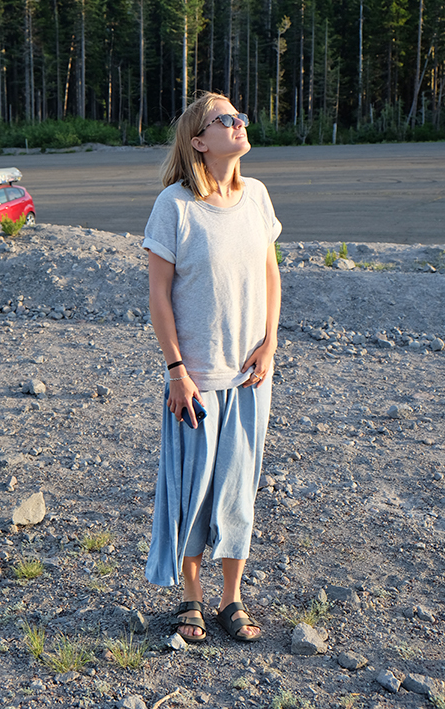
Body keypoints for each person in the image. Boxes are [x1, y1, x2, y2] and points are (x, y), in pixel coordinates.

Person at [142, 91, 281, 643]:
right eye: (224, 119)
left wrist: (270, 345)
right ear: (199, 141)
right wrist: (176, 369)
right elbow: (158, 295)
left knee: (238, 488)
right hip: (195, 379)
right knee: (194, 489)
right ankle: (192, 599)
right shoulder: (174, 206)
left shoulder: (258, 198)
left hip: (251, 377)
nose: (238, 122)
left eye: (239, 116)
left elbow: (271, 277)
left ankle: (232, 599)